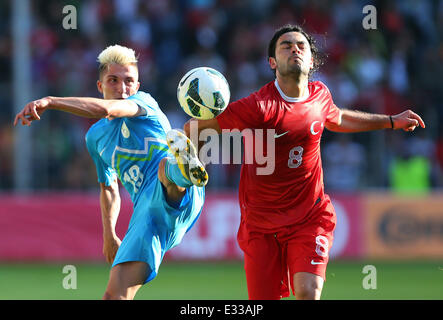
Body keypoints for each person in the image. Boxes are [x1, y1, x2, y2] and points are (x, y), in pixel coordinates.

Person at [184, 24, 426, 300]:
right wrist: (190, 160)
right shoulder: (258, 106)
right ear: (272, 62)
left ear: (311, 61)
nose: (295, 49)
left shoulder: (320, 94)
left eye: (301, 46)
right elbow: (193, 129)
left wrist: (392, 121)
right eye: (286, 46)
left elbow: (339, 119)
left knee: (307, 292)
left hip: (309, 217)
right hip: (261, 225)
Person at [14, 44, 208, 300]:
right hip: (147, 215)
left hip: (176, 192)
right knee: (114, 295)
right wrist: (109, 234)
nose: (122, 89)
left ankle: (183, 167)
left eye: (129, 81)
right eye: (113, 81)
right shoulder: (95, 138)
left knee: (164, 168)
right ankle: (183, 162)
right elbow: (109, 187)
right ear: (100, 86)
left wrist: (50, 101)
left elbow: (107, 109)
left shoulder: (142, 103)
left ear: (138, 87)